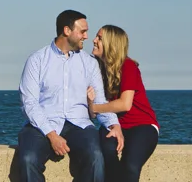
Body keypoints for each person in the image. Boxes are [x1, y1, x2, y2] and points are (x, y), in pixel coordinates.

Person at [17, 10, 124, 182]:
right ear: (67, 31)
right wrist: (52, 135)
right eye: (82, 31)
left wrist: (113, 124)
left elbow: (100, 101)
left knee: (96, 156)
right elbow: (29, 103)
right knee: (28, 160)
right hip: (43, 124)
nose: (87, 36)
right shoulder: (37, 60)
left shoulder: (89, 63)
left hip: (79, 124)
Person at [86, 25, 159, 182]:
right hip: (114, 125)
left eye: (99, 38)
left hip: (142, 126)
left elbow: (125, 104)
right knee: (106, 159)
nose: (94, 40)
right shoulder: (96, 69)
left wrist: (94, 107)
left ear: (111, 44)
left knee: (130, 166)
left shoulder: (128, 66)